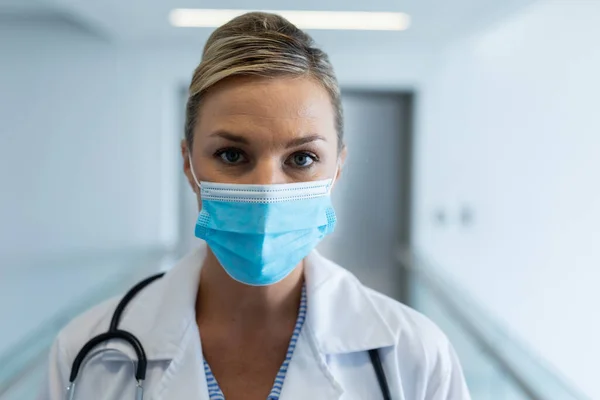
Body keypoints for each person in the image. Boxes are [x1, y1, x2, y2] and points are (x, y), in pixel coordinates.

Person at [40, 12, 470, 400]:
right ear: (189, 165)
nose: (266, 189)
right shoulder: (86, 355)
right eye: (231, 155)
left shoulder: (416, 356)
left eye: (301, 159)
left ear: (337, 169)